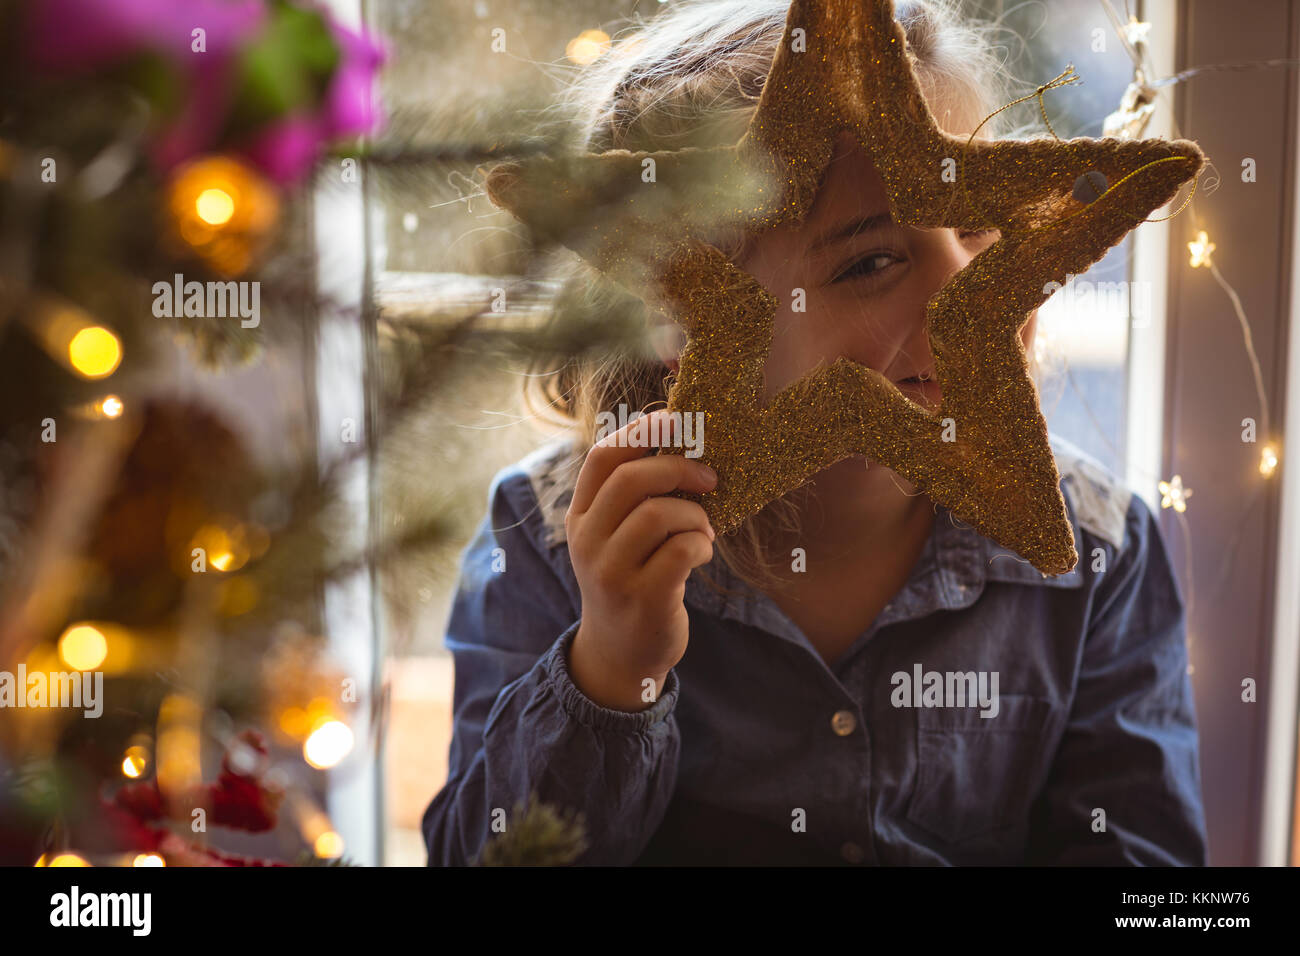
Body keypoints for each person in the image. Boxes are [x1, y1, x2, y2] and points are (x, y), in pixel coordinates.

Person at [422, 0, 1209, 865]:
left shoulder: (1102, 554)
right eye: (868, 262)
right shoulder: (548, 545)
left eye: (978, 226)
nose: (962, 294)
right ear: (684, 313)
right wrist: (612, 671)